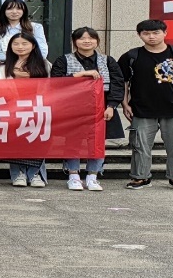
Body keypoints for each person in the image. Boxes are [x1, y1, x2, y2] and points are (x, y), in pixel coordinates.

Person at [120, 19, 173, 193]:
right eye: (146, 33)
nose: (151, 37)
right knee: (140, 146)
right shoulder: (131, 56)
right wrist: (125, 104)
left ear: (165, 33)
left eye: (156, 33)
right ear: (139, 35)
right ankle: (140, 177)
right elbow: (123, 82)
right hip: (141, 108)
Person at [51, 26, 125, 191]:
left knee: (97, 141)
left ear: (97, 41)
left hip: (102, 106)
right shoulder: (64, 60)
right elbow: (56, 82)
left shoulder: (108, 61)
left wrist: (112, 106)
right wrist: (80, 75)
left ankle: (93, 176)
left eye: (91, 38)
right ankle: (73, 175)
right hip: (73, 107)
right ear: (74, 41)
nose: (86, 41)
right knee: (73, 141)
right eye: (82, 38)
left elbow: (117, 84)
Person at [0, 33, 51, 187]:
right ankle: (18, 174)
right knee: (15, 141)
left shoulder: (44, 65)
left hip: (38, 108)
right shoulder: (3, 67)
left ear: (33, 46)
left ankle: (35, 174)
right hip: (12, 109)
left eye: (24, 43)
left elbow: (51, 87)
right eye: (16, 44)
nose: (20, 47)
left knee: (37, 140)